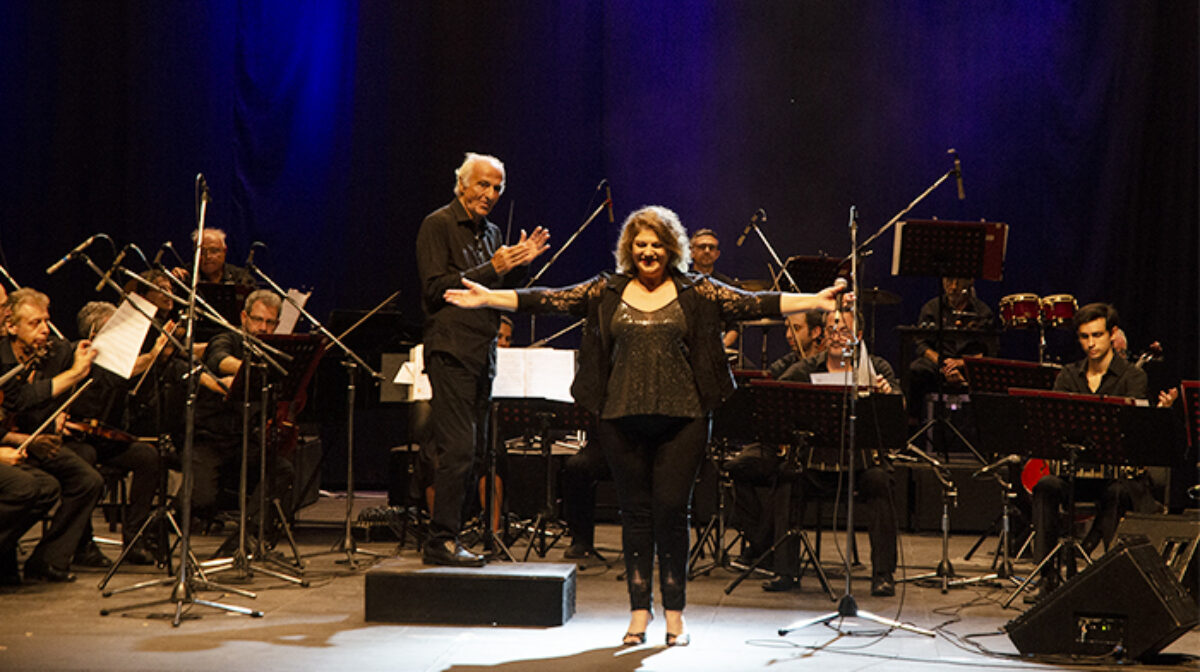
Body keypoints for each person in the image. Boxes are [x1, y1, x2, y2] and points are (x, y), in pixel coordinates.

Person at [445, 205, 840, 646]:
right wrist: (488, 297)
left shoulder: (698, 291)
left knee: (671, 511)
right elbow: (548, 298)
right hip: (620, 417)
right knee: (636, 517)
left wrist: (814, 301)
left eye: (656, 244)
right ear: (629, 250)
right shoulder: (606, 290)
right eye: (640, 244)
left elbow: (755, 304)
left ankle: (675, 615)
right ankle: (638, 613)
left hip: (684, 419)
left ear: (670, 249)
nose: (648, 252)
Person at [415, 152, 550, 568]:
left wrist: (520, 265)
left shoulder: (492, 233)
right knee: (457, 449)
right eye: (483, 185)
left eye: (497, 188)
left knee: (474, 452)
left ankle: (454, 536)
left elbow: (500, 289)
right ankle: (440, 541)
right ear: (462, 184)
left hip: (483, 352)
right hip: (451, 350)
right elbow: (436, 288)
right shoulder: (437, 225)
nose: (490, 194)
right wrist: (493, 267)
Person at [1028, 303, 1178, 601]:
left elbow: (1134, 433)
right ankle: (1046, 578)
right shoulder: (1068, 377)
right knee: (1045, 487)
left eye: (1097, 335)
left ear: (1112, 335)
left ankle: (1111, 576)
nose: (1091, 343)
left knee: (1118, 493)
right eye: (1084, 337)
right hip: (1076, 472)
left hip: (1114, 477)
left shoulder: (1132, 378)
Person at [754, 306, 902, 595]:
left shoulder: (878, 368)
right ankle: (786, 571)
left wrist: (888, 398)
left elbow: (899, 418)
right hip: (815, 465)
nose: (836, 337)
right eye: (832, 331)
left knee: (880, 480)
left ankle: (883, 575)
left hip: (860, 468)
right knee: (786, 478)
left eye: (844, 331)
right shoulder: (806, 369)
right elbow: (776, 400)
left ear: (858, 336)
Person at [0, 288, 104, 582]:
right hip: (11, 446)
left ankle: (48, 560)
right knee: (35, 487)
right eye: (35, 323)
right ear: (12, 326)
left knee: (87, 480)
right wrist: (73, 374)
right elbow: (18, 400)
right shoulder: (3, 359)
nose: (45, 329)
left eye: (46, 321)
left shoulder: (44, 354)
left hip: (25, 441)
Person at [191, 289, 295, 549]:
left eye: (270, 323)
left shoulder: (274, 351)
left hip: (243, 442)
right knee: (200, 501)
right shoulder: (226, 338)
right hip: (209, 440)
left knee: (282, 469)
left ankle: (246, 538)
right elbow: (219, 360)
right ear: (244, 317)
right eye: (258, 320)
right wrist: (252, 370)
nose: (263, 327)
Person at [67, 302, 164, 565]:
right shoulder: (77, 355)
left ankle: (134, 539)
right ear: (97, 331)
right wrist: (153, 354)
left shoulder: (119, 362)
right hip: (74, 439)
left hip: (107, 438)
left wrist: (157, 355)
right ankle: (81, 544)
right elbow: (121, 370)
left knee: (147, 456)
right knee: (84, 459)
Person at [906, 276, 996, 413]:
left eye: (959, 282)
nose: (953, 287)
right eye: (949, 281)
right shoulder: (932, 308)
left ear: (970, 281)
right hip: (938, 365)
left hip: (967, 366)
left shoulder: (983, 312)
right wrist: (942, 363)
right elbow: (922, 344)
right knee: (915, 371)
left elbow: (989, 351)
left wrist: (961, 363)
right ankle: (913, 425)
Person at [689, 229, 739, 349]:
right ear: (691, 252)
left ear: (717, 254)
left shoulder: (727, 285)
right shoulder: (681, 282)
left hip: (718, 348)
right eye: (702, 247)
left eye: (711, 248)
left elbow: (733, 327)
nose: (707, 251)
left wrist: (721, 347)